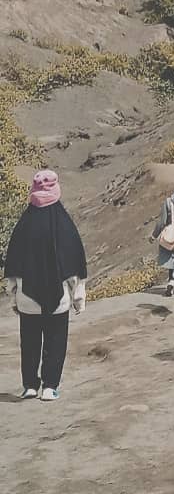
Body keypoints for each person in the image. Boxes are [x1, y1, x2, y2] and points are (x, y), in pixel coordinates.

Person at [6, 170, 86, 401]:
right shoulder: (64, 223)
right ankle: (50, 386)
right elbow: (73, 268)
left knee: (29, 341)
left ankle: (30, 385)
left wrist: (14, 297)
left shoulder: (24, 224)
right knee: (55, 339)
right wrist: (78, 298)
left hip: (27, 297)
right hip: (58, 297)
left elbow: (13, 267)